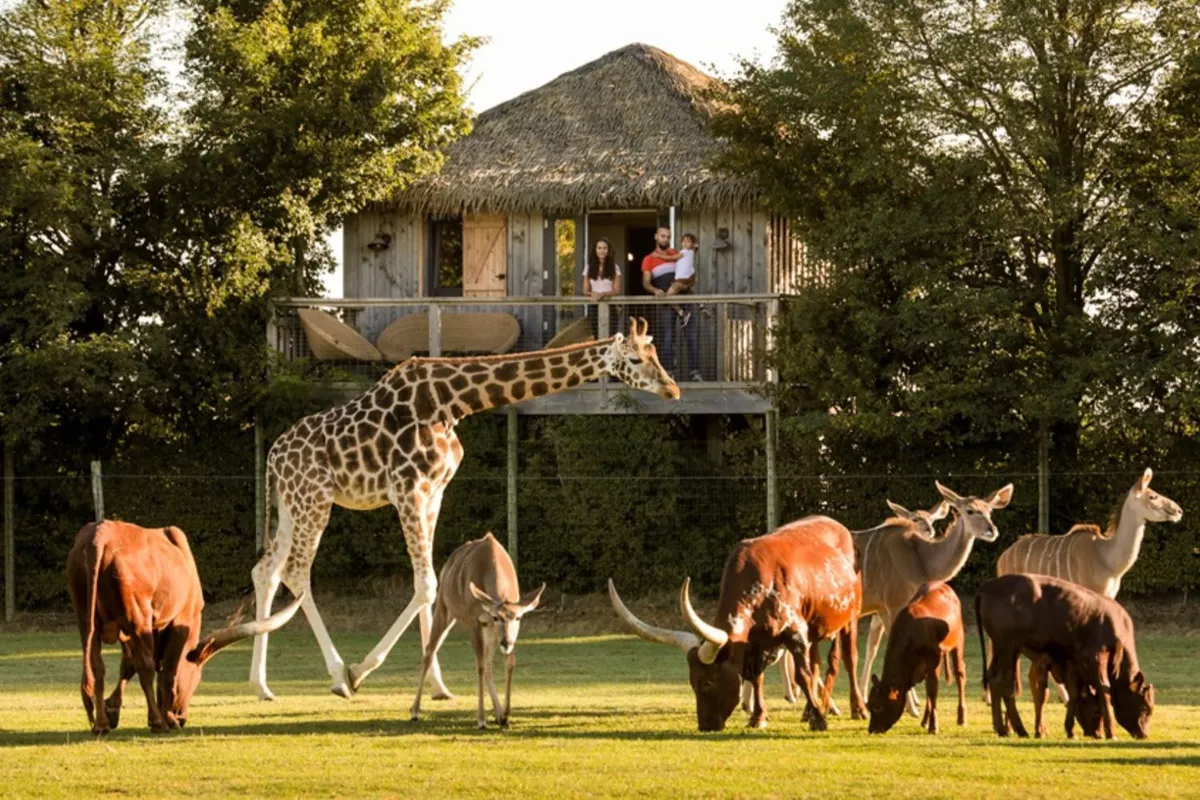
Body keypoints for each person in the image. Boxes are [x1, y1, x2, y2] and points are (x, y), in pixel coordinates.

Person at [641, 226, 683, 377]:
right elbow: (646, 283)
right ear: (656, 236)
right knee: (668, 336)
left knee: (692, 336)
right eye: (663, 236)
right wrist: (655, 290)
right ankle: (668, 372)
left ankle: (694, 373)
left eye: (668, 237)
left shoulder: (677, 254)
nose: (665, 239)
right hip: (665, 302)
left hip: (685, 298)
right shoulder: (649, 259)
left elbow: (687, 272)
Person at [665, 233, 702, 381]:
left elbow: (672, 258)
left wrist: (659, 256)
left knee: (668, 296)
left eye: (689, 241)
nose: (685, 243)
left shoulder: (684, 252)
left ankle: (682, 312)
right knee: (685, 293)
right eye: (684, 241)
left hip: (680, 280)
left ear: (691, 244)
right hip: (685, 279)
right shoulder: (691, 252)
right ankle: (700, 305)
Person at [583, 238, 621, 336]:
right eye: (599, 248)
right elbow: (585, 290)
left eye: (605, 248)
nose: (602, 251)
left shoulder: (615, 267)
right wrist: (593, 294)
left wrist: (603, 294)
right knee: (596, 335)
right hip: (594, 305)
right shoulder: (588, 267)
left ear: (608, 250)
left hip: (610, 304)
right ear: (595, 250)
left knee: (611, 335)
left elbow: (616, 290)